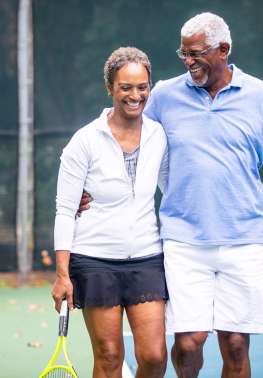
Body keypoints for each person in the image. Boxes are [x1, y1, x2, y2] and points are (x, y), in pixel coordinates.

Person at [80, 12, 263, 378]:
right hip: (182, 241)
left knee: (236, 345)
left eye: (196, 53)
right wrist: (86, 185)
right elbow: (121, 129)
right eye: (183, 54)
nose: (188, 61)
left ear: (224, 49)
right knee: (188, 346)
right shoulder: (166, 95)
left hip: (245, 239)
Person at [51, 47, 168, 378]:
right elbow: (64, 210)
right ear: (110, 88)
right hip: (94, 260)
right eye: (126, 87)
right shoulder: (84, 141)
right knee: (108, 356)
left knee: (155, 356)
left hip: (147, 257)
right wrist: (62, 273)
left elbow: (173, 189)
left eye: (142, 87)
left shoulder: (159, 135)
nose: (135, 95)